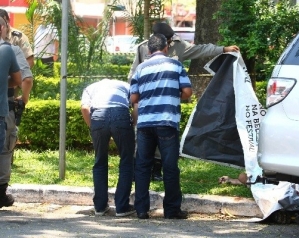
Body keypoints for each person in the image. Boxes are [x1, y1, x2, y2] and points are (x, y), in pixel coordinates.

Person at [129, 22, 239, 181]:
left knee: (164, 139)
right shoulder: (144, 48)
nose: (169, 42)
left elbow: (200, 49)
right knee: (140, 136)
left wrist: (223, 49)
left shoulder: (179, 47)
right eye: (166, 39)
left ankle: (157, 171)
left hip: (167, 106)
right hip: (145, 102)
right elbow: (134, 74)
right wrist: (135, 102)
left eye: (170, 38)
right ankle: (138, 170)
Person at [130, 33, 193, 219]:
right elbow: (187, 92)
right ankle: (172, 210)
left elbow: (133, 98)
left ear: (148, 50)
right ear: (166, 48)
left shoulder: (140, 68)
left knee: (142, 166)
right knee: (170, 166)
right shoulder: (176, 65)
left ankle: (141, 210)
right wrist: (172, 95)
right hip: (167, 121)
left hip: (145, 124)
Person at [81, 78, 135, 217]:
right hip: (121, 114)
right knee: (127, 160)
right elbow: (136, 104)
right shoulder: (125, 85)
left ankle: (100, 207)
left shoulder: (90, 87)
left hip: (98, 116)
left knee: (100, 161)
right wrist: (132, 124)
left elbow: (85, 108)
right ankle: (122, 207)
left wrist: (94, 128)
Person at [0, 17, 22, 208]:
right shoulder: (7, 49)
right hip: (1, 111)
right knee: (3, 153)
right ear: (2, 28)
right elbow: (21, 79)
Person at [34, 11, 59, 76]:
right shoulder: (39, 27)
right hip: (39, 56)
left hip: (48, 56)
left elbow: (56, 40)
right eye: (43, 17)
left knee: (48, 75)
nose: (44, 19)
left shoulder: (52, 27)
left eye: (46, 17)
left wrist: (56, 53)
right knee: (40, 76)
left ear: (49, 18)